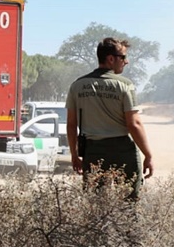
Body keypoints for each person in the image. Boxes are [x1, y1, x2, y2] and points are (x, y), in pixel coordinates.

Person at [65, 37, 153, 199]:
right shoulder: (125, 85)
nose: (126, 62)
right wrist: (148, 155)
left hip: (92, 151)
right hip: (122, 150)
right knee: (128, 204)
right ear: (111, 59)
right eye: (124, 57)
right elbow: (134, 124)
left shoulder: (77, 85)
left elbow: (71, 125)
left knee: (95, 206)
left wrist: (74, 154)